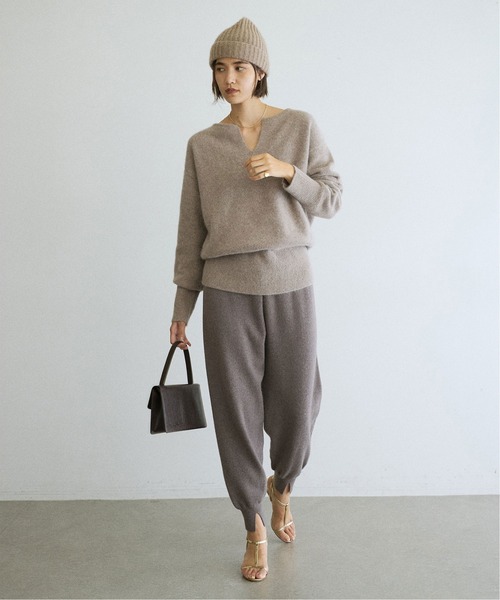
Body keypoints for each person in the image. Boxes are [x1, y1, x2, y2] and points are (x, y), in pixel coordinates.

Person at [169, 17, 342, 582]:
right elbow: (191, 232)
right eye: (220, 68)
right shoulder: (203, 145)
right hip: (226, 292)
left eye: (240, 67)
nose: (229, 77)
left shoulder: (298, 126)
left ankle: (282, 485)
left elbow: (332, 199)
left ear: (259, 71)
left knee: (298, 407)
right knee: (237, 414)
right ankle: (252, 523)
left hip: (291, 284)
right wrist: (181, 309)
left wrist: (289, 172)